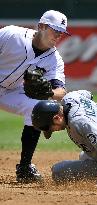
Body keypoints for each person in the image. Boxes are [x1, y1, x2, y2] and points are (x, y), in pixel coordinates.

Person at [0, 10, 69, 182]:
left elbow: (61, 91)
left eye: (61, 32)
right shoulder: (11, 35)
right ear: (42, 26)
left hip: (10, 93)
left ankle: (24, 168)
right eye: (55, 30)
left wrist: (49, 92)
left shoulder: (54, 59)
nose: (58, 35)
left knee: (38, 106)